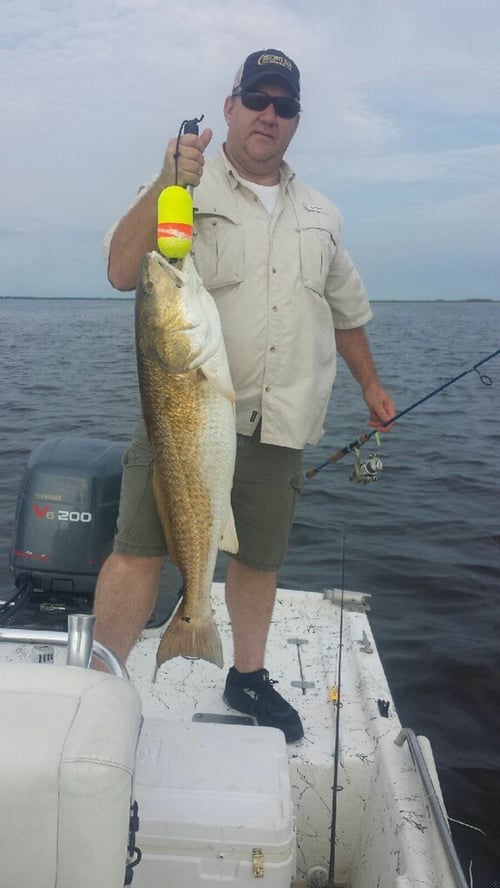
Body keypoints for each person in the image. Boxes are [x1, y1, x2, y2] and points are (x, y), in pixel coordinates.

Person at [93, 48, 396, 743]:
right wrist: (169, 177)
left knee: (260, 557)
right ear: (229, 108)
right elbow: (121, 270)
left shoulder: (321, 213)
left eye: (283, 104)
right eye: (255, 99)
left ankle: (247, 676)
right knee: (139, 546)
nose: (268, 114)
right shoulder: (184, 188)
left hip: (282, 417)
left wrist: (372, 385)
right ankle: (103, 683)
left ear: (295, 119)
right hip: (184, 408)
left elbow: (345, 308)